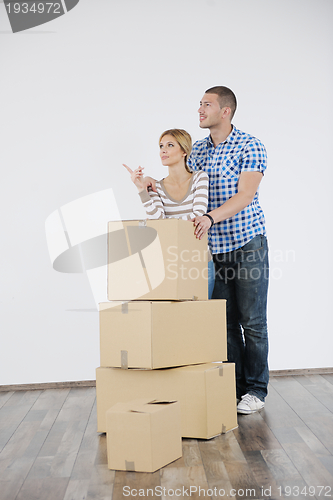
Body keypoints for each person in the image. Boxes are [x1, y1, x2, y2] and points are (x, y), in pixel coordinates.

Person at [189, 86, 269, 415]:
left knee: (252, 322)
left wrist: (209, 217)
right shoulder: (197, 150)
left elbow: (245, 195)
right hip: (214, 249)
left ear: (225, 111)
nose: (199, 109)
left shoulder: (250, 145)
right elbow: (182, 186)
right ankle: (235, 389)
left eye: (206, 104)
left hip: (248, 242)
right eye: (199, 104)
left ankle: (256, 390)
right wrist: (149, 184)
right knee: (224, 323)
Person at [123, 128, 209, 221]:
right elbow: (157, 221)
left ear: (184, 151)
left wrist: (166, 222)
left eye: (170, 145)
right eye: (161, 146)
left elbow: (199, 215)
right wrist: (141, 189)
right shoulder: (155, 187)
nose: (163, 150)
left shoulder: (199, 178)